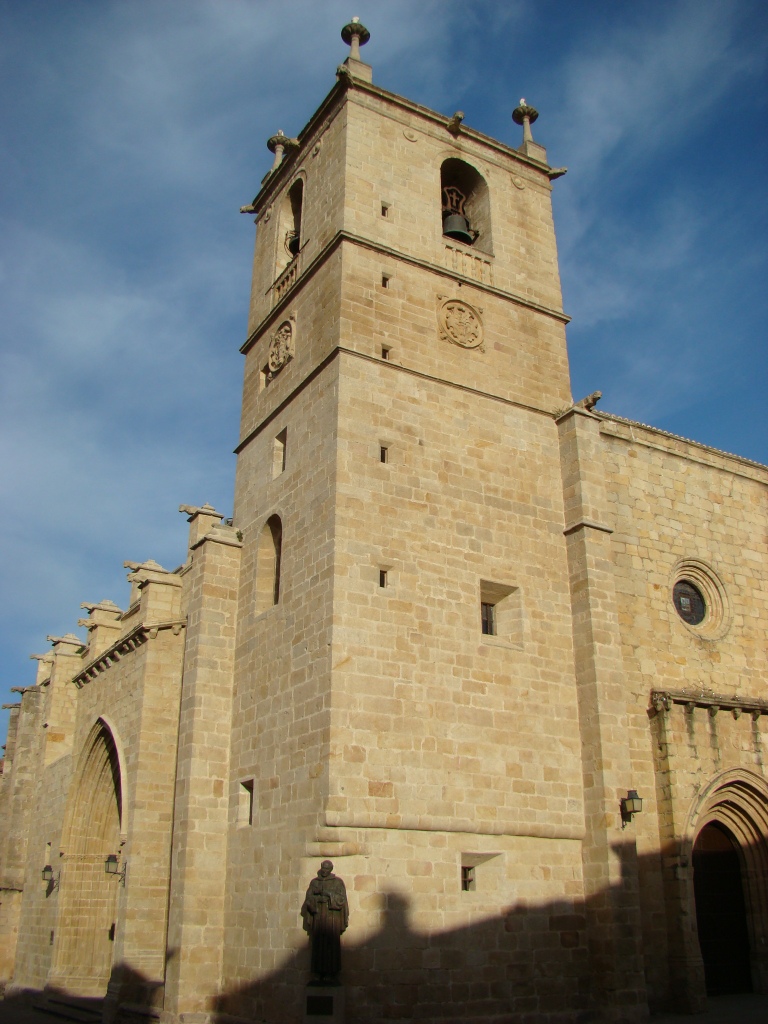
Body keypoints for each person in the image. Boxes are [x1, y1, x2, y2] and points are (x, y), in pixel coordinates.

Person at [301, 860, 349, 982]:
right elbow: (308, 899)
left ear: (331, 869)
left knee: (330, 945)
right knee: (318, 944)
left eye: (327, 868)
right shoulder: (314, 883)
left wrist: (326, 894)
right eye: (323, 868)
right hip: (318, 918)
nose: (324, 870)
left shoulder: (337, 882)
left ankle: (331, 973)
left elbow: (341, 899)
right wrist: (315, 901)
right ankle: (318, 973)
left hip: (331, 918)